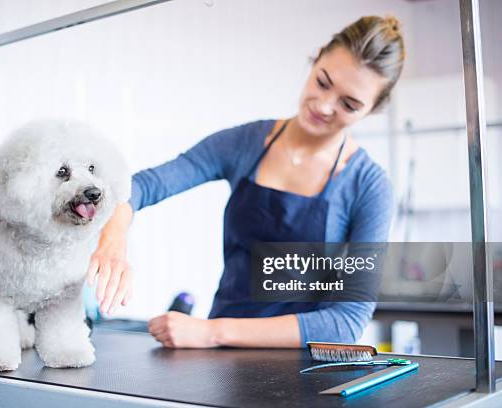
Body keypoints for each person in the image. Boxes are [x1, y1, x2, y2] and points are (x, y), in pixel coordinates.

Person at [87, 15, 405, 348]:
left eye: (349, 104)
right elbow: (142, 186)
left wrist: (213, 332)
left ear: (372, 109)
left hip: (305, 372)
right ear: (316, 58)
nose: (325, 106)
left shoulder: (369, 187)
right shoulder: (245, 143)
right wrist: (113, 239)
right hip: (221, 361)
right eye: (323, 82)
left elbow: (345, 323)